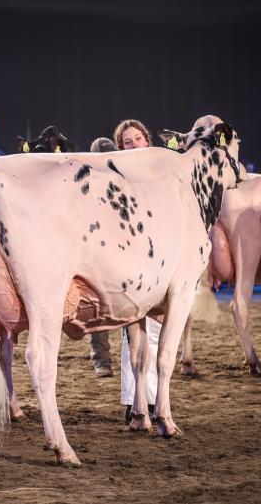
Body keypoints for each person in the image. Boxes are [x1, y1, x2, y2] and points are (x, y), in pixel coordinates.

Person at [112, 119, 158, 423]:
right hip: (129, 262)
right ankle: (134, 401)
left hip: (158, 260)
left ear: (147, 140)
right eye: (127, 141)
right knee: (132, 335)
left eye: (137, 138)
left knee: (154, 333)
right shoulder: (116, 178)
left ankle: (151, 399)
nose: (134, 144)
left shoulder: (160, 174)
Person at [87, 137, 118, 377]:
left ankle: (104, 359)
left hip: (120, 249)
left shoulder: (123, 182)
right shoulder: (86, 184)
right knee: (98, 306)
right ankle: (101, 359)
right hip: (96, 253)